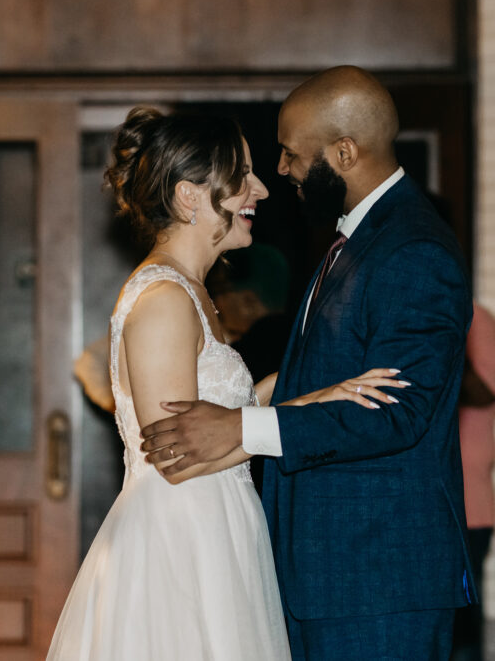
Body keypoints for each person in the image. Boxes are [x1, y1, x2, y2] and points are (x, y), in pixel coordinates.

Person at [138, 66, 475, 660]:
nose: (282, 171)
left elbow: (398, 411)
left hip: (378, 579)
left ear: (343, 152)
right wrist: (273, 398)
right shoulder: (355, 241)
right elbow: (330, 382)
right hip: (330, 577)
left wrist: (240, 426)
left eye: (292, 154)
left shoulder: (412, 249)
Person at [46, 107, 404, 660]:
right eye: (240, 175)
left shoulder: (193, 293)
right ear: (190, 197)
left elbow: (223, 412)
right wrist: (297, 411)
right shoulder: (163, 300)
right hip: (179, 540)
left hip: (217, 523)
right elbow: (176, 453)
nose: (259, 188)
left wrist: (322, 387)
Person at [452, 301, 495, 661]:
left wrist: (447, 336)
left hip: (470, 508)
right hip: (424, 500)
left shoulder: (474, 318)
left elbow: (487, 390)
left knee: (463, 622)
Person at [208, 242, 294, 383]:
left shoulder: (245, 355)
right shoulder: (302, 336)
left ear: (248, 301)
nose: (215, 302)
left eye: (219, 291)